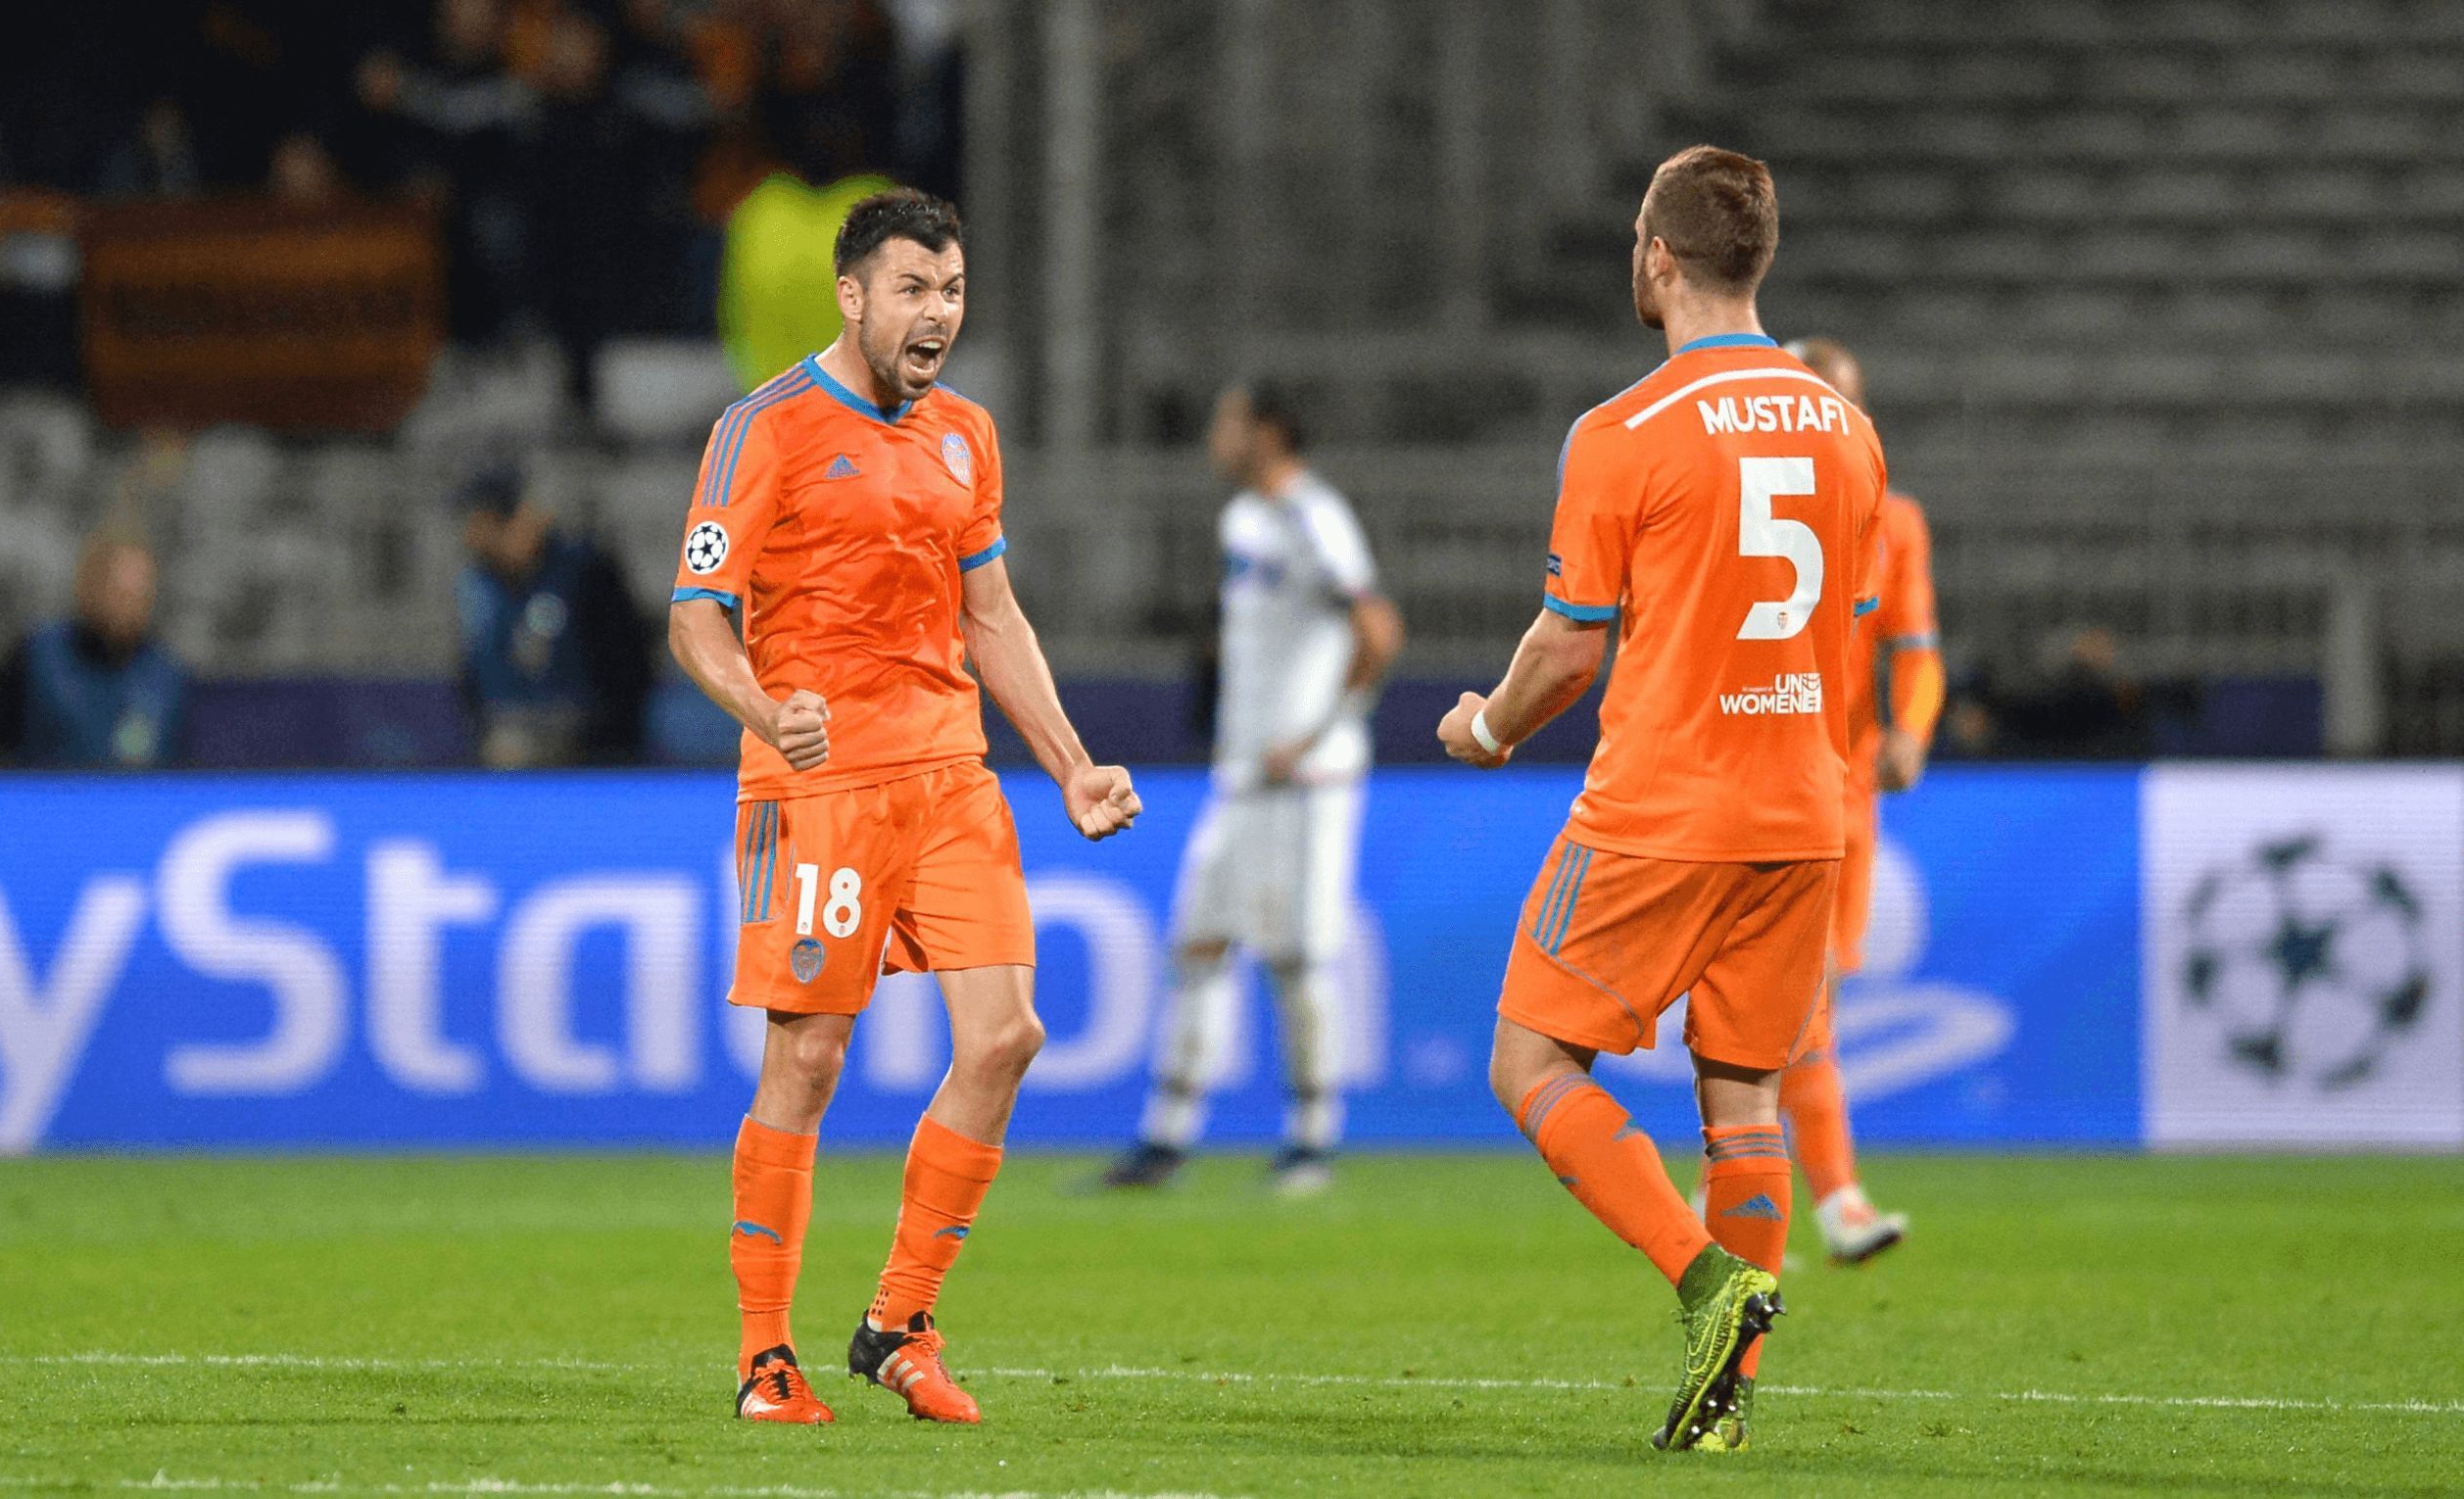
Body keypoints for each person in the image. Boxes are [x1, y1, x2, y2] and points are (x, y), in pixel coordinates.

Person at [666, 188, 1141, 1427]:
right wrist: (763, 709)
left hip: (947, 776)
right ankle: (763, 1358)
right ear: (852, 296)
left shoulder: (965, 435)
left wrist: (1069, 764)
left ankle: (896, 1324)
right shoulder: (760, 428)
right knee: (808, 1056)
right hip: (815, 786)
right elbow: (695, 616)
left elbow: (992, 614)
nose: (938, 314)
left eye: (953, 291)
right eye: (914, 290)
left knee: (1005, 1037)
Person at [1436, 145, 1885, 1454]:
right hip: (1802, 811)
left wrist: (1486, 726)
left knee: (1529, 1060)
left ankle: (1706, 1280)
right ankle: (1726, 1403)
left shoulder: (1623, 431)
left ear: (1656, 257)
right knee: (1743, 1102)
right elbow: (1842, 629)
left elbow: (1567, 649)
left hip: (1661, 809)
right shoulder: (1846, 430)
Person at [1103, 382, 1405, 1194]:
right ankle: (1167, 1139)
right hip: (1242, 775)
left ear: (1266, 432)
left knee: (1297, 955)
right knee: (1198, 940)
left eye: (1228, 422)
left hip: (1306, 779)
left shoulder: (1314, 515)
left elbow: (1379, 628)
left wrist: (1316, 733)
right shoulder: (1243, 519)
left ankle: (1312, 1141)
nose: (1216, 437)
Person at [1764, 335, 1942, 1264]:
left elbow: (1916, 647)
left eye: (1850, 403)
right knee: (1785, 995)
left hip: (1840, 786)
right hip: (1746, 775)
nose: (1841, 420)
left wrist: (1911, 728)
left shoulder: (1893, 520)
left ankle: (1753, 1197)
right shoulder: (1741, 504)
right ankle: (1830, 1200)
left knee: (1805, 991)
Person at [454, 462, 652, 766]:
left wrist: (608, 743)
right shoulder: (477, 583)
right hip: (505, 742)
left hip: (587, 750)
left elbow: (628, 666)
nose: (472, 537)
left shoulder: (585, 572)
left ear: (518, 519)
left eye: (481, 523)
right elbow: (473, 671)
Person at [0, 532, 187, 768]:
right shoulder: (39, 657)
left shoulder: (166, 677)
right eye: (119, 593)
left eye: (139, 596)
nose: (127, 608)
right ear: (89, 587)